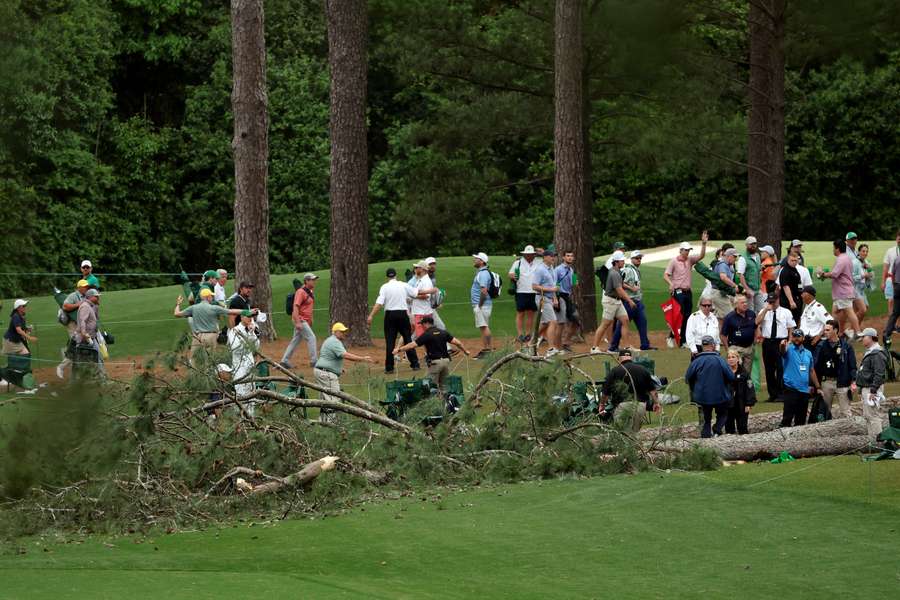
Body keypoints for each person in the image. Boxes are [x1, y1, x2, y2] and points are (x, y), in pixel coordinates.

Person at [314, 322, 376, 423]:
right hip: (326, 374)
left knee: (325, 399)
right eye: (342, 331)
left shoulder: (330, 341)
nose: (344, 333)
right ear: (335, 332)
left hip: (322, 371)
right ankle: (332, 422)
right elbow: (345, 355)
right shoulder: (335, 342)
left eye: (345, 331)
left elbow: (327, 356)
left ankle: (324, 421)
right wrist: (362, 358)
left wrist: (338, 369)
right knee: (333, 399)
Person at [395, 315, 469, 397]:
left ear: (427, 323)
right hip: (446, 362)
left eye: (422, 324)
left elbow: (412, 345)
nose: (422, 326)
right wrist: (465, 351)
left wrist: (399, 349)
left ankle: (434, 406)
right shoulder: (443, 332)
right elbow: (457, 342)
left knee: (430, 387)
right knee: (444, 387)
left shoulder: (427, 334)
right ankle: (446, 405)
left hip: (435, 364)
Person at [368, 267, 420, 373]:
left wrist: (371, 315)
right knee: (407, 339)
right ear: (396, 275)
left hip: (390, 315)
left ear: (387, 277)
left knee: (390, 341)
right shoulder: (403, 285)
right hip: (402, 314)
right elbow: (415, 293)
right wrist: (429, 291)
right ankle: (415, 364)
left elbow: (380, 302)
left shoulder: (384, 287)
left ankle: (389, 367)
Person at [174, 288, 248, 363]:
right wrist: (246, 312)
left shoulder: (193, 308)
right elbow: (231, 311)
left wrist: (178, 304)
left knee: (195, 360)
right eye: (211, 296)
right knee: (210, 361)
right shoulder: (214, 308)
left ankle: (196, 374)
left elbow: (177, 314)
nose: (212, 298)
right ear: (207, 297)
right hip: (211, 337)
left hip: (197, 337)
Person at [663, 232, 708, 347]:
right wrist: (671, 283)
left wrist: (703, 243)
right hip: (678, 291)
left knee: (687, 316)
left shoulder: (690, 260)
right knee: (678, 315)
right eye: (686, 250)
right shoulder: (673, 261)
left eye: (689, 250)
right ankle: (671, 336)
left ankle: (682, 341)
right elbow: (666, 275)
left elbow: (701, 256)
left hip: (688, 292)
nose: (688, 252)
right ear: (681, 250)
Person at [599, 349, 660, 433]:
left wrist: (602, 405)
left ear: (619, 359)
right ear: (631, 358)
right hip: (640, 406)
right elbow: (653, 391)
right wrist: (656, 403)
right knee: (634, 434)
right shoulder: (643, 370)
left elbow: (605, 393)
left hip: (622, 406)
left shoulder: (614, 371)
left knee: (623, 434)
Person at [685, 336, 735, 438]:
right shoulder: (720, 360)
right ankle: (717, 429)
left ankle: (706, 437)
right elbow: (731, 376)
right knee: (723, 414)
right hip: (720, 396)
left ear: (702, 346)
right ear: (713, 345)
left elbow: (687, 378)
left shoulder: (696, 361)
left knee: (706, 419)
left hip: (702, 397)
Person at [610, 250, 654, 351]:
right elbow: (620, 283)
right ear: (632, 259)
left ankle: (645, 345)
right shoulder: (629, 270)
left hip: (637, 301)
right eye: (637, 258)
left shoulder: (635, 270)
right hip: (629, 301)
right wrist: (631, 288)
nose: (639, 260)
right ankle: (613, 346)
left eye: (640, 258)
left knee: (642, 323)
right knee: (622, 324)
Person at [817, 239, 861, 340]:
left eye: (834, 248)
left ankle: (858, 333)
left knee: (850, 312)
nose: (833, 250)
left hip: (843, 292)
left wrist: (822, 273)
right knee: (835, 312)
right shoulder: (846, 258)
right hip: (842, 291)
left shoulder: (842, 259)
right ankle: (835, 332)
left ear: (837, 248)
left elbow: (835, 274)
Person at [756, 291, 796, 402]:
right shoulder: (764, 311)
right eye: (769, 301)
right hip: (768, 342)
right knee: (769, 369)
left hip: (781, 341)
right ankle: (772, 394)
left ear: (778, 300)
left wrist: (790, 341)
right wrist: (765, 310)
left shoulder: (785, 312)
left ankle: (781, 393)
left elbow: (791, 328)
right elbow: (757, 322)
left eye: (773, 302)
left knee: (781, 368)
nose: (771, 304)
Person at [592, 250, 635, 353]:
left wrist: (630, 288)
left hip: (616, 301)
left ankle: (627, 347)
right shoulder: (614, 273)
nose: (623, 262)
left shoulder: (616, 272)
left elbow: (621, 285)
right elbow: (619, 290)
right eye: (621, 261)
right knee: (605, 324)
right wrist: (629, 300)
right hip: (610, 301)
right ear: (616, 262)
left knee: (625, 320)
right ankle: (594, 348)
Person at [813, 320, 857, 419]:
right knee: (824, 412)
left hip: (843, 383)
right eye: (824, 330)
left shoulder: (846, 346)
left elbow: (853, 366)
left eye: (828, 330)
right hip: (826, 382)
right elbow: (815, 367)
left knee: (846, 412)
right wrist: (816, 385)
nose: (825, 332)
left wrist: (853, 380)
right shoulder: (821, 346)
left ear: (836, 330)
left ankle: (849, 432)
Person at [779, 328, 819, 427]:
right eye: (794, 336)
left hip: (804, 390)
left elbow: (811, 370)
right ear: (791, 338)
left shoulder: (808, 353)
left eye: (798, 336)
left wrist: (818, 386)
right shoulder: (789, 349)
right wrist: (782, 345)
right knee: (787, 417)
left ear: (803, 338)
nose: (796, 338)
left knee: (801, 419)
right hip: (791, 388)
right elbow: (782, 351)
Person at [281, 273, 319, 369]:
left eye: (315, 279)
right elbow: (296, 307)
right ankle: (314, 361)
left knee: (295, 341)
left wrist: (311, 320)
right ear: (306, 281)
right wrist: (298, 322)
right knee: (312, 338)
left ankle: (284, 361)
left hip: (305, 320)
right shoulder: (300, 292)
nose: (314, 281)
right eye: (312, 280)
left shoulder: (310, 291)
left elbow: (308, 307)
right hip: (301, 320)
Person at [856, 328, 888, 438]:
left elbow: (879, 374)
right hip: (868, 388)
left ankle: (878, 443)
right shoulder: (870, 352)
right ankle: (873, 442)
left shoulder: (877, 353)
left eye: (863, 337)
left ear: (870, 338)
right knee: (868, 416)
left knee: (873, 415)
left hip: (872, 389)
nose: (862, 340)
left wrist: (873, 390)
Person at [56, 279, 91, 379]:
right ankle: (61, 367)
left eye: (87, 287)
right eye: (85, 287)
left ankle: (81, 371)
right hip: (72, 324)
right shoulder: (73, 296)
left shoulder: (85, 296)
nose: (86, 288)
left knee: (83, 345)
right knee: (77, 345)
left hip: (80, 324)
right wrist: (78, 304)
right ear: (79, 288)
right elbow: (65, 306)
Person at [227, 309, 260, 414]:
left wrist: (252, 333)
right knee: (241, 393)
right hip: (240, 367)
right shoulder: (234, 331)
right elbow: (235, 348)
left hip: (250, 366)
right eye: (248, 316)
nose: (250, 319)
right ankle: (240, 417)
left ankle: (251, 417)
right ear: (242, 317)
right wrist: (247, 336)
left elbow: (256, 347)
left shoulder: (251, 330)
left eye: (251, 317)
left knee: (252, 392)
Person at [532, 249, 561, 355]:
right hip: (542, 298)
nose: (553, 258)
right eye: (551, 256)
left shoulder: (552, 268)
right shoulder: (540, 270)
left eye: (554, 256)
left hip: (549, 298)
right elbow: (534, 286)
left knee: (544, 323)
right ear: (545, 257)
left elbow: (552, 285)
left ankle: (530, 343)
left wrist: (554, 297)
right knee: (553, 322)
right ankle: (550, 349)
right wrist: (551, 290)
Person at [508, 245, 540, 342]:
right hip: (521, 291)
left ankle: (528, 334)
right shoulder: (518, 263)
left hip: (534, 291)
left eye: (531, 254)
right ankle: (520, 334)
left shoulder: (538, 263)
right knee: (520, 313)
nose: (529, 256)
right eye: (527, 254)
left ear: (534, 255)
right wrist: (513, 276)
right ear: (524, 254)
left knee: (531, 313)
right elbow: (510, 274)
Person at [720, 295, 756, 373]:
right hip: (736, 348)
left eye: (746, 302)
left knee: (747, 373)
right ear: (736, 304)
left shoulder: (751, 314)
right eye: (742, 302)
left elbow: (755, 327)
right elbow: (723, 335)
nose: (745, 304)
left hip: (749, 348)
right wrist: (728, 349)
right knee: (734, 371)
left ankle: (744, 385)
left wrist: (754, 341)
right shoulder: (729, 317)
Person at [724, 348, 756, 435]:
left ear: (738, 359)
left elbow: (750, 388)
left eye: (733, 357)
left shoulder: (744, 373)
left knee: (742, 428)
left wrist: (749, 404)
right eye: (729, 357)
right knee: (729, 429)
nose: (731, 359)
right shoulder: (724, 373)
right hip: (728, 405)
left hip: (741, 404)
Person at [554, 250, 579, 351]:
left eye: (571, 256)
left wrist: (575, 283)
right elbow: (554, 284)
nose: (570, 258)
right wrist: (555, 298)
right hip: (559, 296)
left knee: (575, 320)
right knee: (561, 323)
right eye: (567, 256)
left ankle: (565, 342)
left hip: (567, 296)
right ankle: (557, 347)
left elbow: (573, 284)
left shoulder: (571, 270)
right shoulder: (558, 270)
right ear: (563, 258)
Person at [409, 261, 438, 338]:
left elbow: (426, 296)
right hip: (420, 311)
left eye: (417, 267)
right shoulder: (421, 280)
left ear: (422, 269)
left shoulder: (426, 281)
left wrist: (413, 295)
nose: (415, 269)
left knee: (422, 337)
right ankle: (429, 350)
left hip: (423, 312)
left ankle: (430, 350)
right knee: (423, 336)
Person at [709, 247, 741, 318]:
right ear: (729, 256)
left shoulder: (727, 265)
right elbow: (723, 277)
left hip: (720, 293)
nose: (736, 259)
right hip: (718, 293)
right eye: (734, 256)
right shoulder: (723, 264)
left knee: (721, 318)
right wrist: (735, 286)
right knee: (730, 315)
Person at [799, 285, 830, 352]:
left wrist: (819, 336)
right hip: (804, 341)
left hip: (813, 342)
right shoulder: (807, 306)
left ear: (809, 295)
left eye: (803, 293)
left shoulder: (818, 307)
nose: (801, 295)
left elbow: (830, 322)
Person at [740, 236, 764, 313]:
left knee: (761, 311)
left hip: (758, 288)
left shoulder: (757, 256)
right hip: (749, 289)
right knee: (750, 312)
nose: (753, 246)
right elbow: (741, 275)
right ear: (746, 245)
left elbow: (758, 270)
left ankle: (759, 325)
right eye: (751, 244)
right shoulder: (743, 258)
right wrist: (747, 289)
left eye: (755, 244)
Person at [881, 229, 900, 323]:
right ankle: (892, 324)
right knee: (891, 300)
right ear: (896, 238)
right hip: (890, 279)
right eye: (898, 237)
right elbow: (885, 267)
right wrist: (883, 282)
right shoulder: (890, 251)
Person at [778, 252, 803, 323]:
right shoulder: (785, 271)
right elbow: (786, 287)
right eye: (792, 260)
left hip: (797, 298)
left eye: (795, 260)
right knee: (789, 321)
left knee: (797, 319)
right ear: (788, 260)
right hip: (788, 301)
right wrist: (791, 301)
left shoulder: (794, 269)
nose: (794, 262)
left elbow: (799, 283)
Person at [852, 243, 873, 325]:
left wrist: (870, 274)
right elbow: (851, 278)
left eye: (867, 251)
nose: (865, 253)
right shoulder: (855, 263)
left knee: (864, 308)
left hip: (862, 290)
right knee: (863, 310)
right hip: (854, 289)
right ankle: (851, 328)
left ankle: (856, 329)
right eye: (863, 251)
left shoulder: (866, 262)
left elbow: (871, 275)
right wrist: (864, 275)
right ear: (859, 252)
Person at [423, 257, 446, 330]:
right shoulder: (423, 277)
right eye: (430, 264)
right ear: (426, 265)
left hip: (429, 306)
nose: (432, 266)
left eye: (434, 264)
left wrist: (437, 302)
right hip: (423, 307)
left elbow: (432, 291)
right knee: (441, 327)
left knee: (418, 330)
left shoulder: (432, 276)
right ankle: (446, 341)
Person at [884, 245, 900, 343]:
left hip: (897, 286)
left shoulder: (897, 259)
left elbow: (892, 274)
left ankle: (887, 333)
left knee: (895, 312)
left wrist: (895, 285)